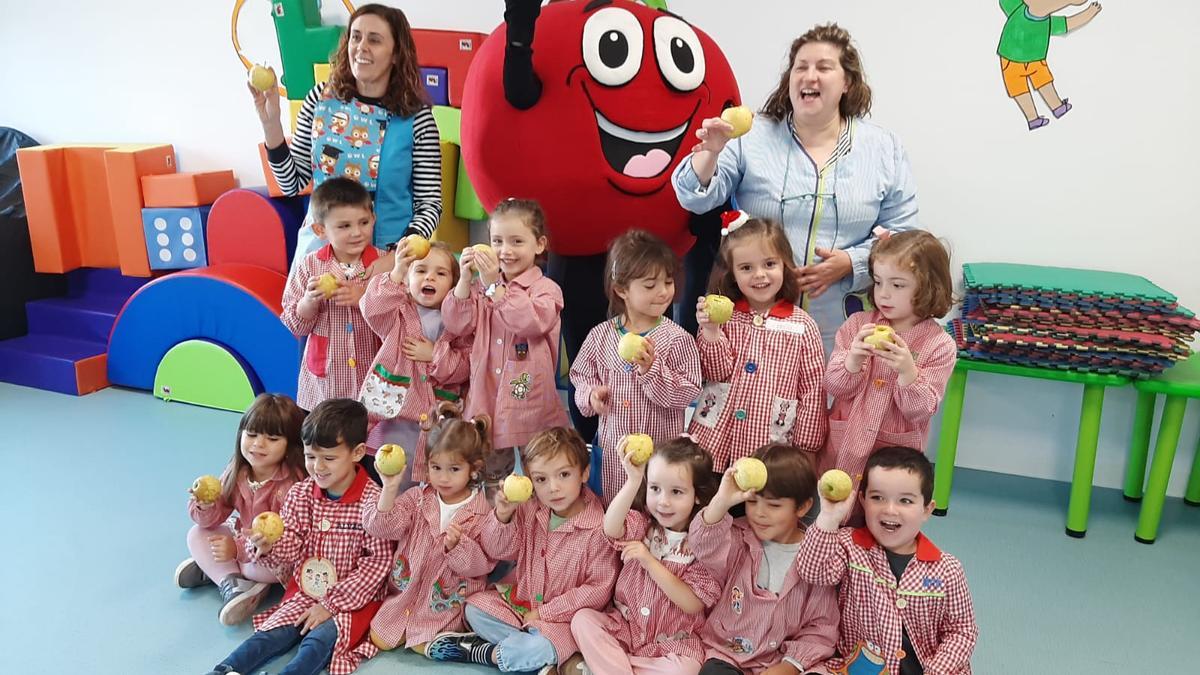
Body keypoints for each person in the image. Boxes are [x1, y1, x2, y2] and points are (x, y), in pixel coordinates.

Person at [673, 23, 918, 358]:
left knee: (832, 403)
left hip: (841, 326)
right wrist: (711, 151)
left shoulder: (883, 147)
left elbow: (903, 233)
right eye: (800, 67)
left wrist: (852, 262)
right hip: (753, 322)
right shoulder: (752, 137)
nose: (809, 76)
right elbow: (694, 196)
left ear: (847, 82)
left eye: (823, 67)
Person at [203, 399, 391, 675]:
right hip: (307, 590)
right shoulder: (301, 494)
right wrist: (269, 547)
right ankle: (223, 670)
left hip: (353, 601)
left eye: (329, 458)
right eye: (310, 456)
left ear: (358, 452)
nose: (318, 467)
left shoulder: (372, 502)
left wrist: (329, 605)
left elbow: (376, 565)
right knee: (271, 634)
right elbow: (291, 543)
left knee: (318, 641)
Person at [248, 3, 442, 270]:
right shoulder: (319, 99)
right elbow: (291, 184)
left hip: (387, 263)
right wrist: (271, 126)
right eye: (356, 36)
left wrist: (397, 256)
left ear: (396, 53)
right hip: (320, 259)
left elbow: (429, 203)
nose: (361, 47)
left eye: (374, 40)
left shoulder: (416, 118)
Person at [427, 427, 620, 673]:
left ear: (584, 473)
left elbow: (598, 590)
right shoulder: (530, 509)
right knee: (475, 607)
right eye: (541, 479)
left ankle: (487, 653)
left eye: (563, 475)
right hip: (522, 606)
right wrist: (503, 516)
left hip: (564, 620)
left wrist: (544, 612)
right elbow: (498, 550)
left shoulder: (599, 526)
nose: (553, 488)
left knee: (542, 646)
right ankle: (541, 660)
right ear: (529, 479)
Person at [798, 447, 978, 674]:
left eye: (905, 500)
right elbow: (812, 571)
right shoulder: (849, 545)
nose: (890, 509)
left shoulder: (948, 569)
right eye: (878, 498)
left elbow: (962, 632)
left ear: (926, 510)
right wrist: (828, 518)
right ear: (862, 501)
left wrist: (935, 671)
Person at [821, 230, 957, 521]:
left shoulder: (939, 345)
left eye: (897, 285)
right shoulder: (858, 325)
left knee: (882, 520)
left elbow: (921, 410)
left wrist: (908, 371)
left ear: (928, 287)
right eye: (879, 281)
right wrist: (853, 360)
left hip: (894, 461)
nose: (883, 293)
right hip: (843, 450)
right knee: (834, 516)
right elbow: (834, 385)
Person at [441, 198, 568, 492]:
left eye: (517, 241)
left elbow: (530, 322)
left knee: (541, 473)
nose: (505, 251)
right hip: (486, 398)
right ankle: (499, 529)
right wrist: (464, 279)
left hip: (529, 403)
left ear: (539, 244)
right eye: (497, 241)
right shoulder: (482, 285)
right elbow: (457, 324)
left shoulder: (547, 290)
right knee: (492, 478)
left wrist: (493, 288)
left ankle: (538, 528)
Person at [570, 436, 721, 675]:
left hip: (672, 644)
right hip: (625, 631)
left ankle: (607, 669)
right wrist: (633, 481)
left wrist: (649, 561)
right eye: (655, 489)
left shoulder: (703, 544)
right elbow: (610, 528)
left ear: (698, 495)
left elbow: (692, 604)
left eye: (677, 492)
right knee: (583, 620)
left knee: (685, 670)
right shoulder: (643, 524)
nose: (663, 501)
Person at [569, 230, 701, 502]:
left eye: (668, 281)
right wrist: (591, 395)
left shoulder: (678, 339)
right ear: (621, 289)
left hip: (661, 458)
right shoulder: (600, 335)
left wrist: (651, 371)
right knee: (614, 510)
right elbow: (579, 376)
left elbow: (688, 392)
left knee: (658, 511)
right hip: (614, 456)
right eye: (650, 285)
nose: (663, 292)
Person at [690, 215, 827, 473]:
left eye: (769, 264)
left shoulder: (803, 326)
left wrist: (807, 448)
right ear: (732, 273)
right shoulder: (723, 318)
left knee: (757, 510)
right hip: (713, 446)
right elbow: (714, 373)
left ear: (784, 265)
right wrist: (710, 331)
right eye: (746, 268)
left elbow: (812, 393)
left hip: (769, 450)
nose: (759, 275)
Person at [357, 405, 494, 659]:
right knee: (380, 638)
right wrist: (389, 488)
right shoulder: (417, 498)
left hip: (445, 603)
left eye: (454, 469)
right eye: (436, 467)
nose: (443, 477)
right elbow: (382, 528)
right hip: (404, 597)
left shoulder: (483, 512)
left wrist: (458, 546)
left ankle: (464, 641)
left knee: (427, 646)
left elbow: (482, 565)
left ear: (474, 469)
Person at [689, 444, 839, 674]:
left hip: (784, 660)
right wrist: (721, 500)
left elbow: (821, 627)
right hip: (727, 654)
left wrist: (788, 667)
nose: (759, 513)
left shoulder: (817, 558)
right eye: (752, 501)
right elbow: (702, 543)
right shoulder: (737, 538)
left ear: (803, 506)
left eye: (774, 505)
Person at [176, 393, 306, 625]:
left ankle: (223, 574)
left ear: (289, 445)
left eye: (272, 438)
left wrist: (236, 550)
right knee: (196, 534)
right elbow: (215, 518)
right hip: (244, 542)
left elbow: (289, 542)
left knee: (256, 569)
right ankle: (231, 581)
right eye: (252, 434)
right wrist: (205, 505)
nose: (258, 444)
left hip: (274, 555)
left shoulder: (293, 484)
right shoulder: (238, 471)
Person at [358, 237, 471, 485]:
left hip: (438, 422)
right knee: (392, 479)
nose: (429, 278)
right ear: (408, 282)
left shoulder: (459, 322)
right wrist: (397, 269)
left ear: (453, 283)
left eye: (441, 273)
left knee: (431, 484)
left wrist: (434, 355)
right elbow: (370, 307)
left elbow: (465, 367)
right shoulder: (396, 312)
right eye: (420, 271)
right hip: (395, 417)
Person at [280, 178, 383, 413]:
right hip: (326, 384)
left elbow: (399, 315)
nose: (357, 232)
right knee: (325, 438)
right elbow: (294, 324)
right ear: (320, 230)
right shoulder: (310, 265)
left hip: (372, 378)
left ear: (374, 219)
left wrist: (364, 298)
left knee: (368, 439)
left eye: (364, 222)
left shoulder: (382, 264)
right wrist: (309, 302)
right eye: (344, 226)